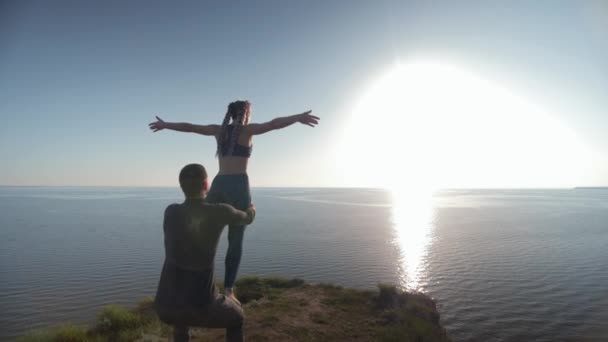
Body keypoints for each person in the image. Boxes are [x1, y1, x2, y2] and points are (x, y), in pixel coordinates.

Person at [149, 100, 319, 302]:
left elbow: (190, 127)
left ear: (230, 114)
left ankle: (191, 279)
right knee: (235, 240)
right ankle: (229, 289)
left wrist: (166, 124)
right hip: (238, 184)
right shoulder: (247, 131)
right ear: (245, 114)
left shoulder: (218, 130)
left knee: (203, 231)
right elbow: (274, 124)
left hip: (219, 183)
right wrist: (297, 118)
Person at [154, 163, 256, 342]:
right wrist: (251, 209)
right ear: (206, 185)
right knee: (237, 317)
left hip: (165, 305)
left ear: (181, 187)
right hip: (201, 307)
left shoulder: (170, 211)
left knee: (181, 318)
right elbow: (247, 218)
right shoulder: (220, 211)